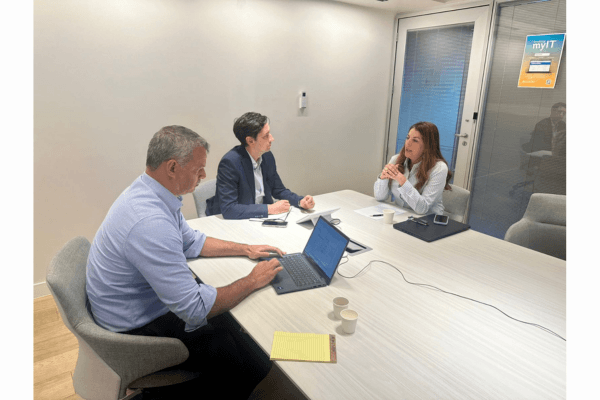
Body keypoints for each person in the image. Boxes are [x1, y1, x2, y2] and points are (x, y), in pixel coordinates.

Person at [86, 125, 285, 399]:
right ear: (172, 167)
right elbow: (195, 309)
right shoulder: (150, 222)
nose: (203, 176)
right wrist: (252, 280)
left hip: (126, 308)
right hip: (134, 331)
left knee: (236, 329)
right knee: (242, 354)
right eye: (198, 169)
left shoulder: (150, 193)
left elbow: (191, 242)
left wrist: (246, 249)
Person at [205, 112, 315, 219]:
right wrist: (269, 209)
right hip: (232, 221)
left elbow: (278, 189)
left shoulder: (267, 156)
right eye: (266, 136)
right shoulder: (230, 163)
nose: (272, 139)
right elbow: (229, 209)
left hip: (259, 218)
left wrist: (300, 201)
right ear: (250, 141)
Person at [374, 121, 452, 215]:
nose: (408, 143)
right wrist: (383, 178)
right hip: (402, 215)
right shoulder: (396, 160)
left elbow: (422, 208)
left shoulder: (439, 168)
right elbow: (380, 197)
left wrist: (402, 180)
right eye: (408, 138)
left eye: (415, 140)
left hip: (427, 220)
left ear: (428, 146)